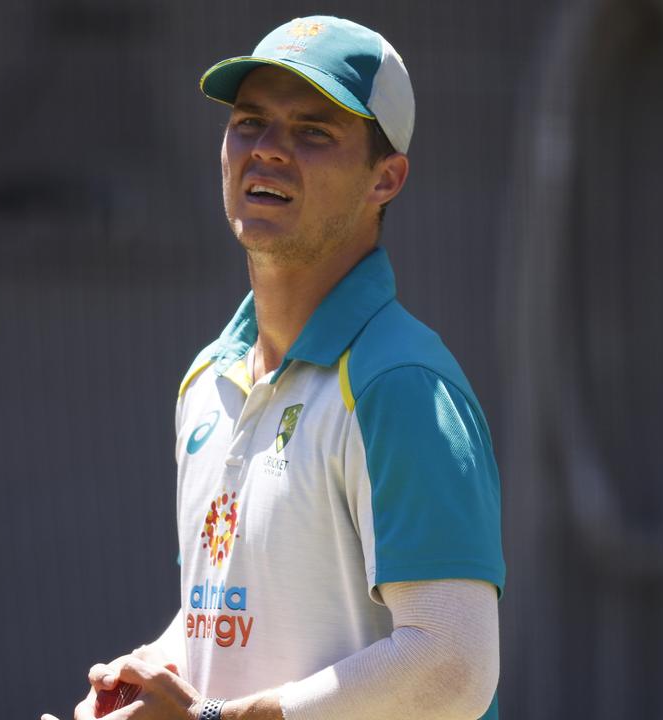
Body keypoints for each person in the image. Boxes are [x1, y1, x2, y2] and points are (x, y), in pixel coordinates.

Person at [53, 15, 505, 720]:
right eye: (250, 122)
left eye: (313, 132)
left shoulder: (401, 385)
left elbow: (453, 667)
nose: (267, 150)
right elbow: (236, 619)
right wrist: (147, 681)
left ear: (385, 178)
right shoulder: (208, 381)